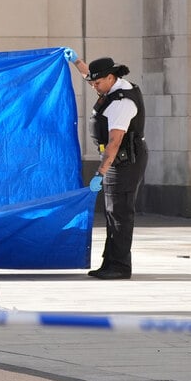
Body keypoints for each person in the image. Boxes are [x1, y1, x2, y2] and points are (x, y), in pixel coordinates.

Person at [65, 49, 147, 280]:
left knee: (120, 213)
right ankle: (109, 262)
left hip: (124, 160)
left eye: (97, 83)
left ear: (110, 78)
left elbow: (114, 143)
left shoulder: (122, 103)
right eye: (92, 82)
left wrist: (100, 173)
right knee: (112, 212)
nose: (93, 86)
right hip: (117, 160)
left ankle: (120, 266)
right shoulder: (112, 87)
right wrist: (76, 61)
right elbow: (89, 76)